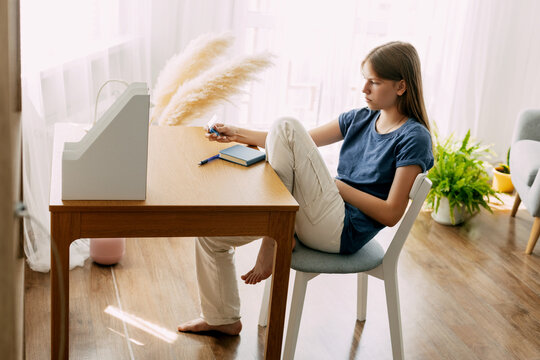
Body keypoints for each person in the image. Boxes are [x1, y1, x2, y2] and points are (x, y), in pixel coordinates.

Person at [178, 41, 434, 335]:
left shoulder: (414, 137)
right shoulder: (361, 117)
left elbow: (390, 214)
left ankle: (273, 240)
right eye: (365, 79)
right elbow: (288, 141)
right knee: (211, 236)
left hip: (343, 230)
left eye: (374, 82)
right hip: (316, 216)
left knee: (286, 124)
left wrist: (337, 186)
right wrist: (235, 132)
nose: (364, 88)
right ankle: (222, 317)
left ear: (401, 86)